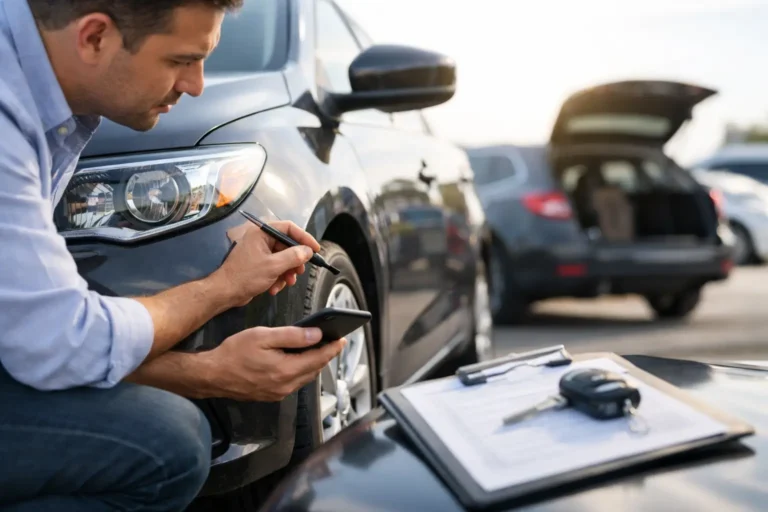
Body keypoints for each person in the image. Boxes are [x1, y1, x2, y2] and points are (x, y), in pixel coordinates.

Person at [0, 0, 347, 510]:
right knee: (167, 444)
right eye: (181, 60)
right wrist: (219, 303)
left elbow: (28, 335)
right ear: (94, 37)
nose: (196, 85)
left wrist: (207, 365)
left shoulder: (45, 94)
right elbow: (61, 339)